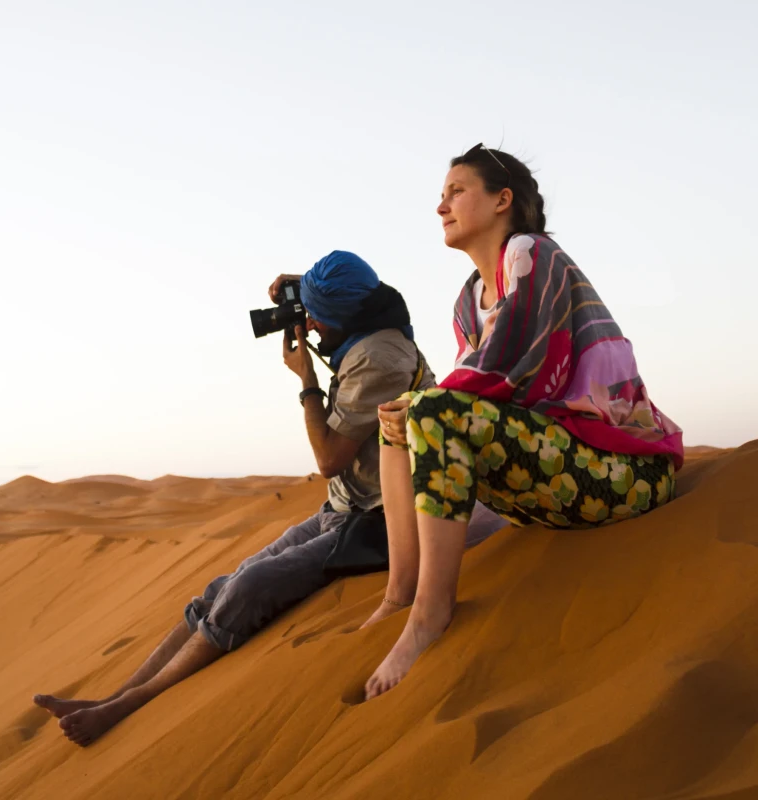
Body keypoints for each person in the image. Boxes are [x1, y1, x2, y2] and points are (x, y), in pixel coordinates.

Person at [33, 250, 501, 746]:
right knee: (221, 585)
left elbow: (328, 459)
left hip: (380, 520)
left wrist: (307, 382)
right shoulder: (371, 314)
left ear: (343, 316)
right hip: (344, 507)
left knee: (250, 588)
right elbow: (355, 293)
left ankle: (130, 706)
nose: (312, 325)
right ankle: (112, 695)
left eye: (317, 315)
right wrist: (303, 285)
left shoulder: (380, 359)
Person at [362, 144, 684, 700]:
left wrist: (423, 404)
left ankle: (430, 614)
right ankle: (399, 592)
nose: (442, 206)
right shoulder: (469, 301)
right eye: (441, 195)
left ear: (502, 199)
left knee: (428, 409)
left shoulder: (532, 254)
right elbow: (476, 389)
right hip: (559, 472)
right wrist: (411, 411)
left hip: (624, 470)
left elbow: (510, 365)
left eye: (456, 191)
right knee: (398, 422)